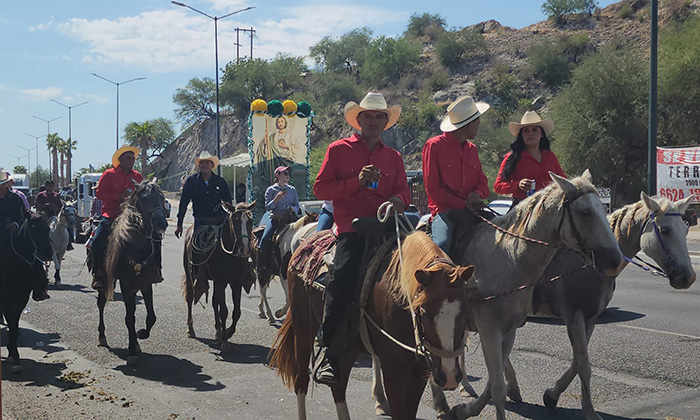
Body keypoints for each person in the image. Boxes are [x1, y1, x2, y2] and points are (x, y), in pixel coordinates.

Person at [312, 92, 410, 386]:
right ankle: (329, 351)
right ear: (358, 120)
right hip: (352, 228)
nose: (374, 121)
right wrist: (356, 182)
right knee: (342, 278)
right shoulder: (338, 150)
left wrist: (397, 199)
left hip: (386, 227)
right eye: (368, 116)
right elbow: (320, 189)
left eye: (379, 116)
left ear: (385, 122)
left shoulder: (394, 157)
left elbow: (405, 192)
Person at [422, 95, 491, 254]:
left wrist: (477, 193)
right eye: (477, 124)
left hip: (472, 211)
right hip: (445, 212)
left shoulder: (472, 149)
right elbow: (433, 189)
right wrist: (463, 203)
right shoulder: (434, 146)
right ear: (469, 125)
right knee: (442, 245)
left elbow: (482, 182)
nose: (478, 128)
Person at [89, 145, 148, 289]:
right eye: (128, 158)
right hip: (112, 214)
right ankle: (98, 273)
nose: (131, 161)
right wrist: (119, 196)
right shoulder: (109, 174)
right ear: (120, 160)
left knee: (152, 238)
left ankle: (152, 270)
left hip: (132, 216)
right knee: (97, 241)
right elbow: (100, 194)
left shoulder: (137, 176)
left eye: (133, 159)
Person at [493, 111, 565, 207]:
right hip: (523, 207)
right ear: (521, 135)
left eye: (535, 130)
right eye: (526, 130)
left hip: (550, 206)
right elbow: (498, 186)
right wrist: (518, 185)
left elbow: (563, 180)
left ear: (542, 134)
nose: (530, 133)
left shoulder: (550, 156)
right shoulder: (513, 157)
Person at [0, 169, 50, 301]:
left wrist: (20, 222)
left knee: (32, 255)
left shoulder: (15, 198)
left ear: (6, 184)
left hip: (14, 230)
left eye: (2, 184)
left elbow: (23, 213)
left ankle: (40, 288)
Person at [256, 165, 301, 266]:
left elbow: (297, 206)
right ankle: (262, 265)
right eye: (285, 173)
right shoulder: (271, 190)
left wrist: (294, 209)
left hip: (291, 220)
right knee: (264, 239)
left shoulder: (292, 190)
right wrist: (276, 199)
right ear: (277, 175)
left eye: (288, 174)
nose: (287, 176)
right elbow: (267, 208)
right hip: (276, 220)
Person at [35, 179, 73, 251]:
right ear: (46, 186)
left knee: (68, 226)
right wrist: (46, 205)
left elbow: (61, 205)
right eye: (49, 186)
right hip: (45, 215)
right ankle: (39, 243)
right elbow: (37, 205)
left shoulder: (57, 195)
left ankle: (68, 243)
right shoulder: (40, 195)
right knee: (39, 226)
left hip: (56, 215)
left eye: (52, 186)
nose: (50, 187)